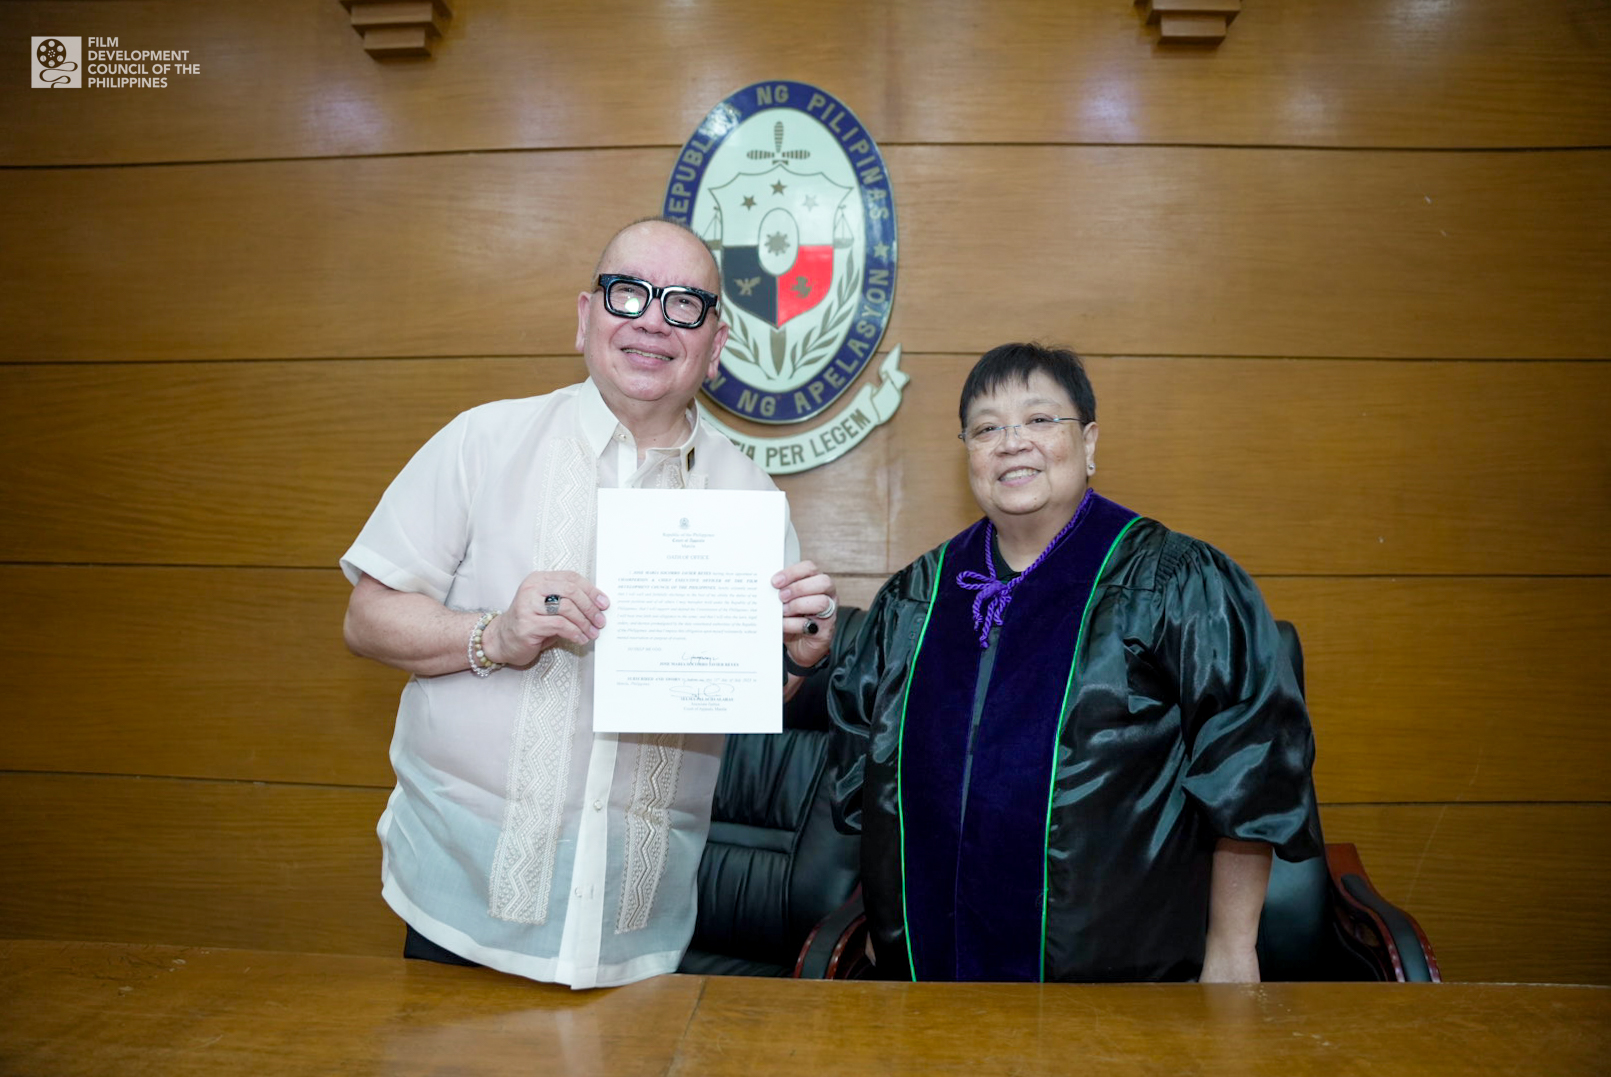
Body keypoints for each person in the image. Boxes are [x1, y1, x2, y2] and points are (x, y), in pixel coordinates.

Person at [341, 217, 839, 988]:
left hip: (637, 923)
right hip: (462, 901)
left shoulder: (748, 497)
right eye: (627, 293)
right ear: (585, 318)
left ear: (715, 345)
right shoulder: (483, 441)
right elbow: (367, 617)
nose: (652, 320)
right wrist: (494, 634)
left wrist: (797, 657)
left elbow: (746, 697)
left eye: (683, 305)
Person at [829, 342, 1318, 983]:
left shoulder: (1171, 582)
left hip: (1117, 991)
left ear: (1088, 442)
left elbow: (1247, 777)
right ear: (968, 453)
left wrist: (1231, 953)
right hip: (929, 987)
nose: (1012, 443)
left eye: (1039, 420)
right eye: (986, 429)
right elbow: (867, 783)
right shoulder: (916, 598)